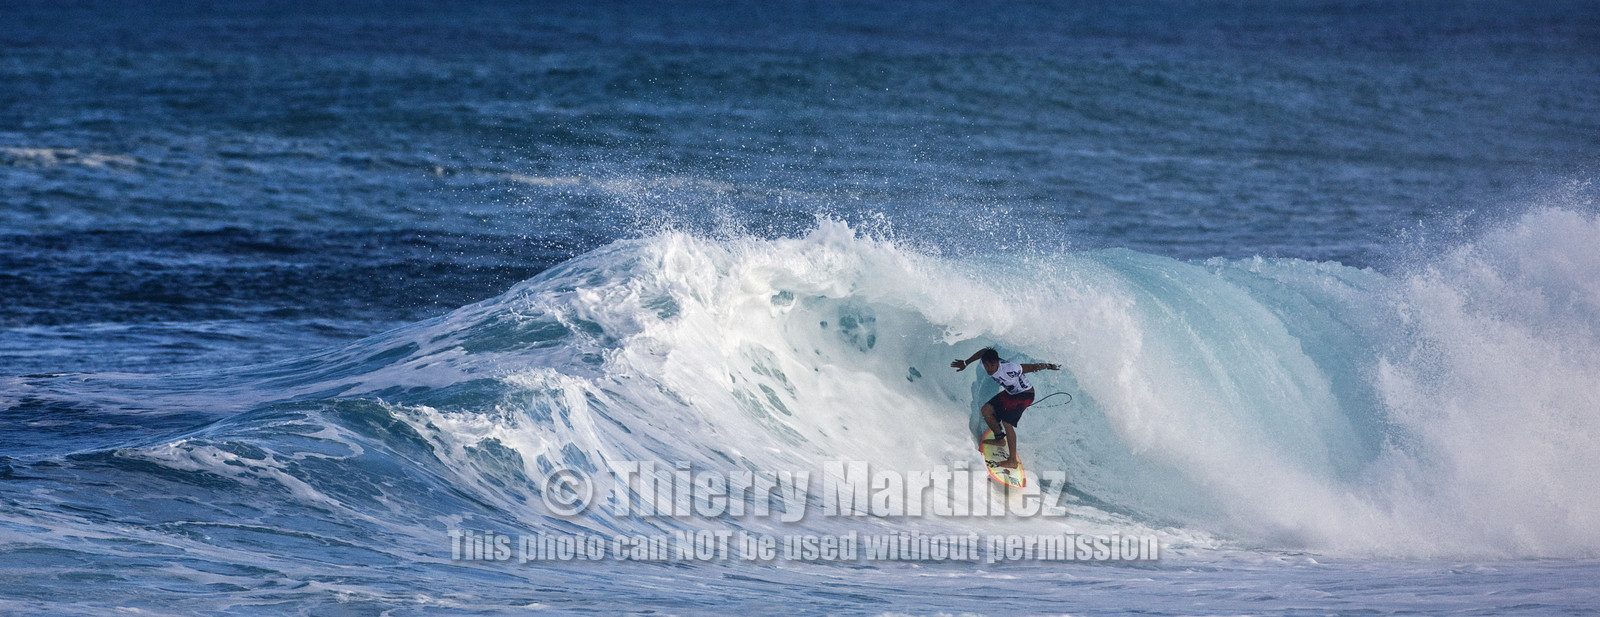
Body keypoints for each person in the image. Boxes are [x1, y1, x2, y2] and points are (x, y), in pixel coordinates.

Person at [950, 348, 1060, 468]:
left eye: (992, 365)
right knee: (986, 410)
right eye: (986, 365)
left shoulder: (1010, 369)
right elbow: (983, 352)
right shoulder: (984, 363)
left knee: (1007, 423)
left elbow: (1032, 367)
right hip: (1011, 393)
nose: (989, 368)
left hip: (1025, 394)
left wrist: (1049, 366)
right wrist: (966, 362)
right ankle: (999, 439)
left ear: (997, 362)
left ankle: (1012, 461)